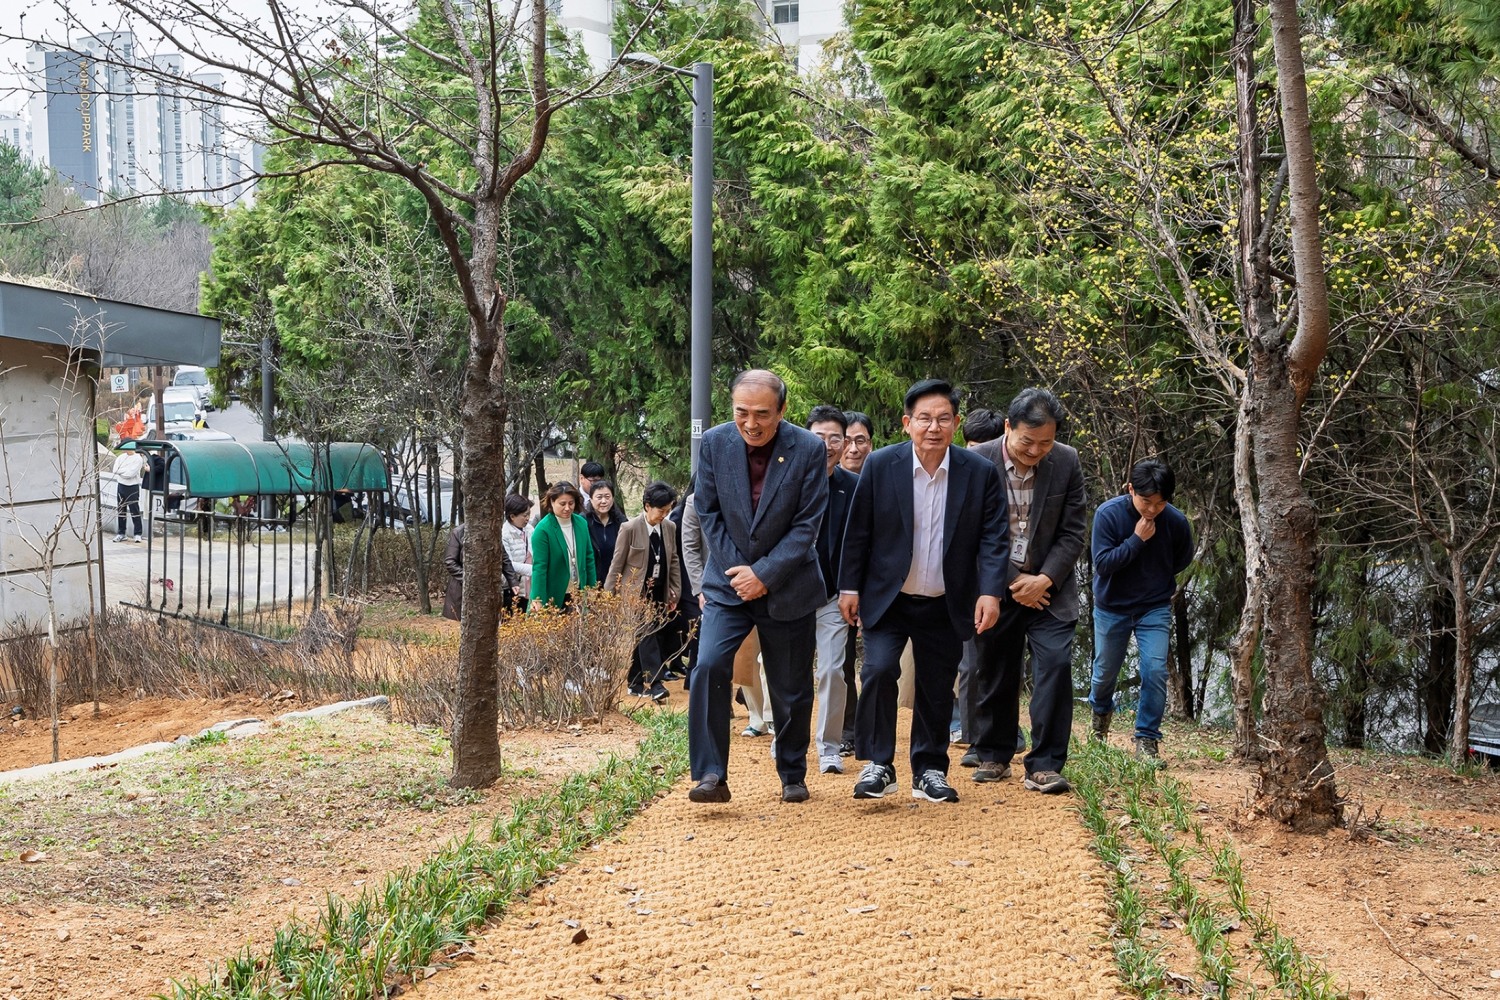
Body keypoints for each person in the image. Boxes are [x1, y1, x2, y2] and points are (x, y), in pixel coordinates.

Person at [838, 379, 1008, 804]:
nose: (934, 427)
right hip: (888, 597)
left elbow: (993, 538)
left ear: (955, 424)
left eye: (943, 419)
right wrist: (849, 586)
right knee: (878, 671)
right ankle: (879, 764)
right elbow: (858, 532)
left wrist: (990, 592)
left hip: (947, 600)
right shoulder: (881, 465)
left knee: (936, 683)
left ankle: (930, 769)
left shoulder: (979, 473)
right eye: (925, 418)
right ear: (907, 423)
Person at [688, 369, 829, 805]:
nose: (751, 423)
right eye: (742, 412)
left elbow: (807, 525)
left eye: (762, 414)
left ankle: (792, 772)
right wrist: (742, 573)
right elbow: (708, 512)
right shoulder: (715, 442)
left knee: (790, 687)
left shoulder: (808, 448)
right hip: (728, 585)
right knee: (709, 666)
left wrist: (764, 574)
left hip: (789, 584)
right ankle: (711, 774)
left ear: (782, 411)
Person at [966, 387, 1088, 794]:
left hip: (1050, 590)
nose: (1035, 451)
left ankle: (1045, 763)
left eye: (1045, 443)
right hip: (996, 588)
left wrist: (1044, 579)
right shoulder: (977, 460)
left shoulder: (1067, 461)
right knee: (995, 669)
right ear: (1008, 427)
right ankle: (994, 754)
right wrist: (1012, 581)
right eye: (1027, 442)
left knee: (1054, 665)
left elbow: (1073, 531)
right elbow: (969, 532)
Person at [1087, 459, 1194, 760]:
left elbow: (1182, 559)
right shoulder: (1108, 515)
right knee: (1104, 673)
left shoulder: (1176, 522)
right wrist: (1136, 540)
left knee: (1155, 670)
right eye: (1146, 502)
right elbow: (1102, 564)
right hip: (1112, 607)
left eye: (1160, 503)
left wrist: (1157, 578)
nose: (1152, 510)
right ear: (1131, 489)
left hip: (1154, 607)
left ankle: (1147, 738)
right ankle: (1100, 717)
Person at [682, 491, 773, 735]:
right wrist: (700, 588)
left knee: (769, 656)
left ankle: (772, 714)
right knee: (745, 656)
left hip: (769, 579)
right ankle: (757, 716)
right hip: (723, 589)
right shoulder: (694, 501)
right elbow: (690, 548)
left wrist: (764, 573)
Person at [806, 405, 859, 774]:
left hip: (833, 596)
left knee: (832, 670)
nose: (826, 445)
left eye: (834, 438)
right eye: (818, 437)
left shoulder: (853, 487)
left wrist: (853, 589)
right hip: (790, 595)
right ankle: (787, 741)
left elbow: (862, 543)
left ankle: (829, 746)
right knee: (787, 675)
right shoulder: (786, 480)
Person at [606, 481, 682, 703]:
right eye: (661, 510)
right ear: (647, 506)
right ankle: (655, 683)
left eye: (668, 510)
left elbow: (673, 560)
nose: (664, 515)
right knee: (647, 633)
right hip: (635, 594)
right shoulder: (629, 528)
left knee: (650, 635)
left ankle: (635, 682)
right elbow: (617, 564)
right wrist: (608, 596)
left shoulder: (670, 527)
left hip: (659, 591)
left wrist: (674, 590)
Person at [837, 410, 875, 754]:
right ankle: (848, 729)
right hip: (837, 588)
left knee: (877, 665)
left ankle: (871, 729)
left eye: (860, 440)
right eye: (846, 440)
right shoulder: (825, 483)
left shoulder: (882, 479)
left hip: (877, 587)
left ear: (871, 444)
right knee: (843, 661)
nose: (852, 448)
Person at [529, 481, 597, 609]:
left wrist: (592, 587)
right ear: (552, 502)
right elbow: (539, 567)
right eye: (562, 504)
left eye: (571, 503)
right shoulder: (543, 530)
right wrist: (537, 598)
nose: (567, 508)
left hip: (578, 591)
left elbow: (589, 557)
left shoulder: (581, 523)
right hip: (553, 593)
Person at [444, 521, 519, 620]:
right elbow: (450, 562)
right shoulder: (459, 532)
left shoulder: (492, 530)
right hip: (462, 587)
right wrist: (470, 578)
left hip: (489, 586)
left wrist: (513, 581)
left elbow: (504, 558)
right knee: (466, 621)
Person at [585, 479, 627, 581]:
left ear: (613, 498)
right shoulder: (584, 522)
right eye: (599, 497)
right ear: (591, 499)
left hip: (616, 579)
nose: (604, 501)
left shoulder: (621, 522)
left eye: (607, 497)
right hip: (592, 579)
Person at [502, 493, 535, 612]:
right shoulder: (504, 534)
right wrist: (533, 569)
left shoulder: (529, 529)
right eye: (524, 515)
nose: (527, 518)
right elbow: (508, 564)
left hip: (530, 584)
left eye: (529, 514)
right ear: (512, 516)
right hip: (513, 587)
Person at [112, 446, 148, 543]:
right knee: (121, 509)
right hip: (121, 485)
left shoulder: (138, 458)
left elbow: (130, 474)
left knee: (134, 510)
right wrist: (125, 471)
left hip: (132, 486)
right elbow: (115, 470)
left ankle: (137, 533)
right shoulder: (120, 457)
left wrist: (122, 471)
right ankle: (121, 533)